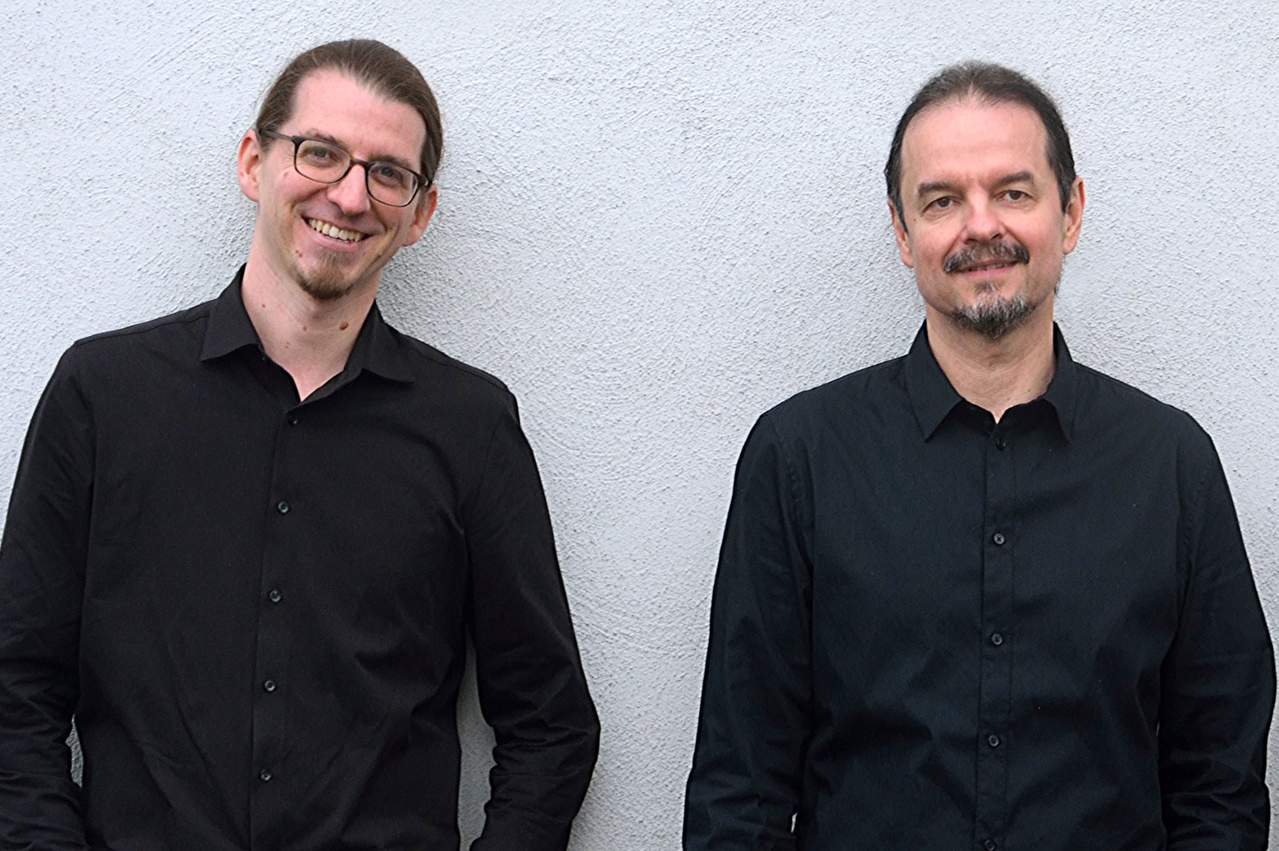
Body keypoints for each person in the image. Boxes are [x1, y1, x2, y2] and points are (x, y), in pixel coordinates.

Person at [0, 39, 598, 851]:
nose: (349, 195)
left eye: (387, 173)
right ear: (254, 162)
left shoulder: (471, 427)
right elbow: (15, 691)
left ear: (419, 213)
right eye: (320, 152)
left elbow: (551, 723)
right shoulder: (102, 396)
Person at [684, 61, 1273, 850]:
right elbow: (739, 791)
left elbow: (1219, 789)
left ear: (1069, 213)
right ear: (902, 233)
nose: (979, 226)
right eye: (941, 201)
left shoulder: (1171, 465)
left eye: (1013, 192)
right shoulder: (797, 460)